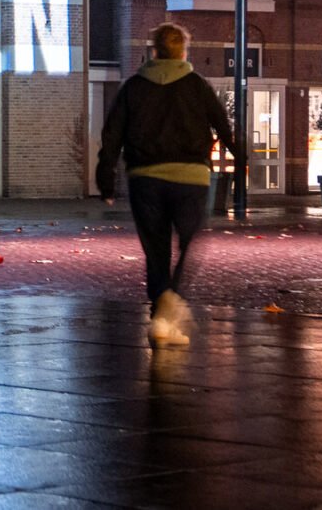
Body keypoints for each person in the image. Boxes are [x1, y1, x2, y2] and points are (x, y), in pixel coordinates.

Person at [95, 22, 235, 345]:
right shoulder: (197, 85)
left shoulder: (133, 87)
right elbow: (222, 124)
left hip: (145, 179)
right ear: (184, 52)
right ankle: (172, 299)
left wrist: (106, 180)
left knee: (155, 250)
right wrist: (241, 157)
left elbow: (112, 134)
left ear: (153, 52)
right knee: (188, 242)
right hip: (190, 178)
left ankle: (160, 314)